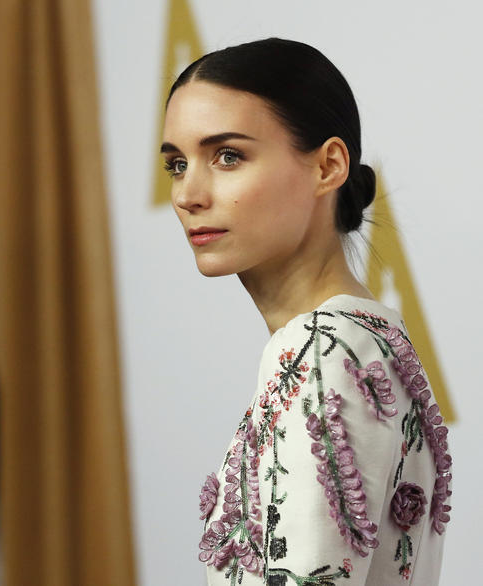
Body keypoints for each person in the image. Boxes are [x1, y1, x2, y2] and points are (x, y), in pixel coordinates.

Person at [160, 38, 451, 585]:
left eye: (228, 156)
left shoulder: (323, 354)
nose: (187, 193)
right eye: (177, 163)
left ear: (329, 165)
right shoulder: (359, 338)